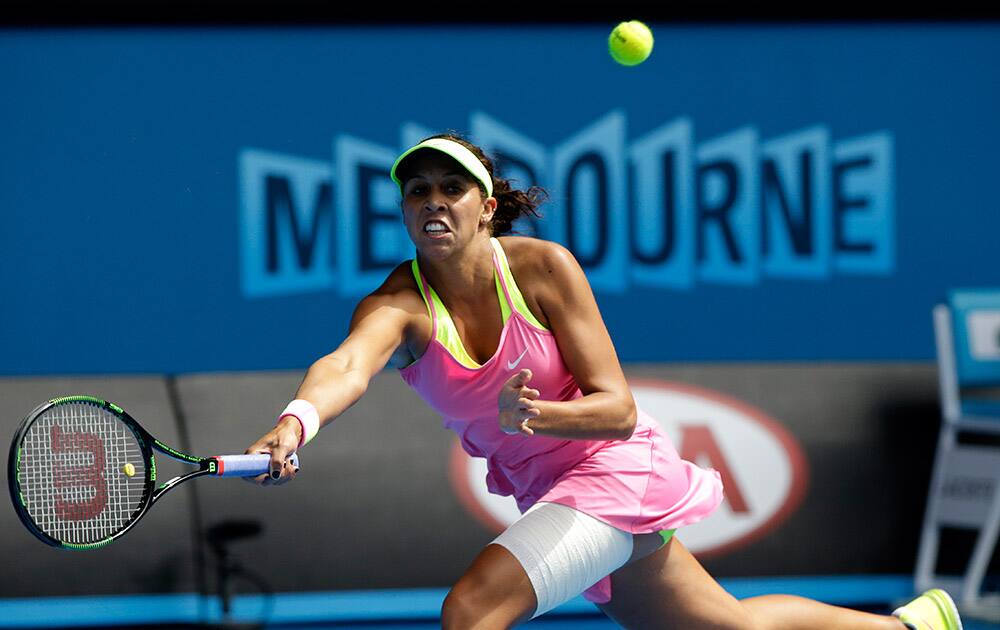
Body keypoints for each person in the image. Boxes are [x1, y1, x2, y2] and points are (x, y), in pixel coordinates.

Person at [244, 133, 961, 630]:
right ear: (404, 211)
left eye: (452, 188)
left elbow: (617, 410)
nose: (433, 201)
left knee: (470, 612)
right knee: (725, 627)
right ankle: (910, 625)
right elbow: (346, 366)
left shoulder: (543, 269)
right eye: (417, 191)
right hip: (551, 494)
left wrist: (537, 416)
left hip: (613, 472)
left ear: (487, 205)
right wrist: (295, 421)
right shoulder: (398, 306)